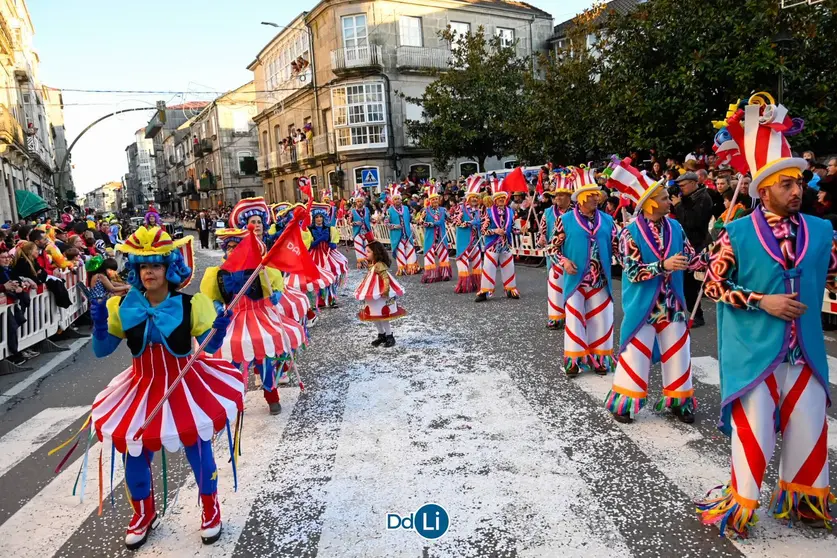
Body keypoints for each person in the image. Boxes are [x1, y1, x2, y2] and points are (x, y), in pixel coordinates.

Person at [697, 95, 837, 537]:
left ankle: (805, 499)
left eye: (799, 182)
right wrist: (762, 300)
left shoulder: (822, 230)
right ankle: (740, 507)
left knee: (810, 425)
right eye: (786, 184)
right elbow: (713, 287)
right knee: (755, 430)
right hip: (755, 350)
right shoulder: (734, 232)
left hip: (805, 351)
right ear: (763, 190)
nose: (797, 191)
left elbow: (832, 271)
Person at [87, 225, 240, 548]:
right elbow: (102, 351)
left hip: (185, 383)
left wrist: (220, 329)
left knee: (198, 450)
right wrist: (99, 323)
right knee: (134, 453)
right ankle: (144, 512)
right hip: (142, 386)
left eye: (155, 265)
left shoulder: (190, 305)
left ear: (169, 268)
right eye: (143, 266)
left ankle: (211, 508)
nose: (148, 272)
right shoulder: (124, 306)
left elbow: (211, 349)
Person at [605, 158, 706, 424]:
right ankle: (624, 403)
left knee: (678, 354)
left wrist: (713, 256)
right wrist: (663, 265)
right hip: (643, 305)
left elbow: (691, 258)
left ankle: (679, 401)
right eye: (663, 197)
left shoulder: (675, 227)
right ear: (649, 203)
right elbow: (632, 271)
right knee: (635, 354)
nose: (670, 201)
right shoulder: (629, 233)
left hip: (673, 305)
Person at [551, 168, 618, 376]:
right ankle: (573, 360)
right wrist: (564, 261)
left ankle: (599, 359)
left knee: (602, 320)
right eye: (591, 196)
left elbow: (618, 246)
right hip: (576, 280)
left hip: (600, 280)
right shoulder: (566, 220)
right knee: (574, 320)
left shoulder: (607, 220)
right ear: (580, 198)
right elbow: (553, 249)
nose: (596, 199)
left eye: (597, 195)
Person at [671, 171, 713, 327]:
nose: (681, 189)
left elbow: (692, 221)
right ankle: (686, 310)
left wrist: (678, 206)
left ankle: (697, 315)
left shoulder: (703, 198)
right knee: (683, 280)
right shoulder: (690, 198)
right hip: (686, 242)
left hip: (697, 243)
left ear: (694, 183)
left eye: (683, 186)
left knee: (690, 282)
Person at [354, 231, 406, 347]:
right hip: (372, 292)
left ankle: (389, 335)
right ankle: (381, 334)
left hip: (381, 292)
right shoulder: (372, 264)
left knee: (383, 316)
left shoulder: (379, 265)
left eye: (368, 252)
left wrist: (386, 290)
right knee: (374, 314)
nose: (366, 254)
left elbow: (385, 278)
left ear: (375, 253)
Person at [537, 172, 574, 329]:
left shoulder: (577, 212)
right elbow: (542, 233)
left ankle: (573, 315)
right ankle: (556, 317)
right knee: (554, 286)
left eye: (560, 195)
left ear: (569, 196)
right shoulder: (548, 213)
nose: (556, 199)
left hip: (572, 253)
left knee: (573, 286)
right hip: (554, 256)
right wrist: (541, 239)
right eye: (554, 196)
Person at [475, 179, 519, 302]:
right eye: (499, 198)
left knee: (509, 267)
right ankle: (484, 291)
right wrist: (494, 231)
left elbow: (513, 227)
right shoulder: (488, 212)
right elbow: (483, 231)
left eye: (503, 198)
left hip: (505, 244)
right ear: (495, 200)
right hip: (493, 244)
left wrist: (519, 230)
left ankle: (511, 289)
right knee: (489, 267)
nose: (501, 200)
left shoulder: (510, 211)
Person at [308, 200, 348, 305]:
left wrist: (332, 244)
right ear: (314, 218)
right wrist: (319, 239)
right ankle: (318, 300)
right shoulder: (310, 230)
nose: (319, 219)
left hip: (327, 254)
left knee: (331, 275)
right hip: (315, 254)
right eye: (316, 217)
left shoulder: (330, 229)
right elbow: (309, 245)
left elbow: (334, 243)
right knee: (317, 277)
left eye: (321, 216)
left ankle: (331, 299)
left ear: (324, 217)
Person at [452, 175, 484, 294]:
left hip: (476, 241)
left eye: (476, 197)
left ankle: (477, 283)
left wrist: (481, 223)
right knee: (462, 261)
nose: (475, 199)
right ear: (468, 198)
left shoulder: (480, 210)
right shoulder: (461, 208)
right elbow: (455, 220)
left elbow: (485, 221)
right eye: (473, 197)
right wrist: (468, 223)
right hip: (464, 240)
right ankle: (464, 284)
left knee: (477, 262)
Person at [384, 185, 420, 276]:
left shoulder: (406, 208)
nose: (397, 201)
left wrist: (417, 220)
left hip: (407, 234)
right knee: (400, 252)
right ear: (393, 201)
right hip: (397, 236)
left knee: (411, 250)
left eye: (399, 199)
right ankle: (402, 269)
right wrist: (395, 226)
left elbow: (411, 218)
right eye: (395, 199)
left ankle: (412, 267)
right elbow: (386, 223)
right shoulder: (389, 211)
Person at [420, 184, 452, 283]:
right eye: (433, 199)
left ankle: (445, 273)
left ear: (439, 200)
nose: (435, 201)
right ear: (430, 201)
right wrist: (431, 223)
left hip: (441, 237)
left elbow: (450, 219)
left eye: (436, 199)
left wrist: (453, 220)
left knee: (443, 254)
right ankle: (431, 275)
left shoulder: (443, 210)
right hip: (430, 237)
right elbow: (421, 222)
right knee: (429, 255)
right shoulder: (425, 210)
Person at [350, 190, 372, 269]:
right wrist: (355, 223)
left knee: (368, 248)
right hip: (358, 233)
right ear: (356, 202)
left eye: (361, 201)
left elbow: (370, 218)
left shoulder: (367, 210)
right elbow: (349, 222)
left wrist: (374, 221)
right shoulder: (352, 211)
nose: (359, 203)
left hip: (367, 232)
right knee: (359, 248)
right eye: (358, 201)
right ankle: (361, 263)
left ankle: (369, 262)